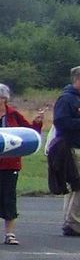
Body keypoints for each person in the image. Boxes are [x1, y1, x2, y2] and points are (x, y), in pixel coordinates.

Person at [0, 84, 44, 245]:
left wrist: (37, 123)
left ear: (4, 98)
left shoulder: (14, 115)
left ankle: (10, 233)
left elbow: (29, 133)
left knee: (9, 197)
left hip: (11, 163)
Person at [56, 66, 80, 238]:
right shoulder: (67, 99)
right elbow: (61, 122)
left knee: (75, 187)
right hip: (73, 147)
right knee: (77, 185)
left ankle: (71, 221)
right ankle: (73, 222)